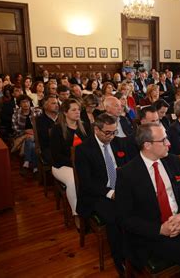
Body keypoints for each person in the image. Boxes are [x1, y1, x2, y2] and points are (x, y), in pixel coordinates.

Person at [115, 123, 180, 277]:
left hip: (178, 218)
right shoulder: (127, 174)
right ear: (147, 145)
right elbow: (125, 218)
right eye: (163, 140)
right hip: (153, 229)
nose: (169, 143)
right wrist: (160, 229)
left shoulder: (172, 161)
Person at [75, 114, 135, 275]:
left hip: (120, 189)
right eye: (107, 133)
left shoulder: (118, 142)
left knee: (140, 205)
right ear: (96, 129)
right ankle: (119, 259)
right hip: (98, 194)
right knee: (115, 217)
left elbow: (128, 167)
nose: (111, 136)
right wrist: (111, 193)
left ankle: (136, 250)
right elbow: (87, 183)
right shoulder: (83, 149)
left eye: (114, 132)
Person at [50, 99, 89, 219]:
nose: (78, 112)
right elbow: (56, 156)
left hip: (82, 164)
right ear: (65, 112)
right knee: (73, 181)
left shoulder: (85, 127)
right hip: (62, 165)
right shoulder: (57, 129)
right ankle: (77, 214)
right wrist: (76, 164)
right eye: (74, 110)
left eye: (78, 109)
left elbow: (91, 148)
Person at [12, 95, 42, 175]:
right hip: (22, 135)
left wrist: (34, 131)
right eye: (23, 102)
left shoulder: (37, 111)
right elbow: (15, 128)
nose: (26, 104)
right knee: (32, 143)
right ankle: (35, 167)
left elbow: (41, 127)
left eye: (27, 101)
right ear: (19, 104)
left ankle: (26, 162)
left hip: (36, 135)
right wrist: (25, 131)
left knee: (30, 140)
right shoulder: (16, 114)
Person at [36, 94, 59, 164]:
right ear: (45, 106)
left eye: (57, 103)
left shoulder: (62, 117)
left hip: (63, 146)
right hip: (49, 148)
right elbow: (46, 138)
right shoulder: (41, 120)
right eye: (53, 103)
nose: (57, 105)